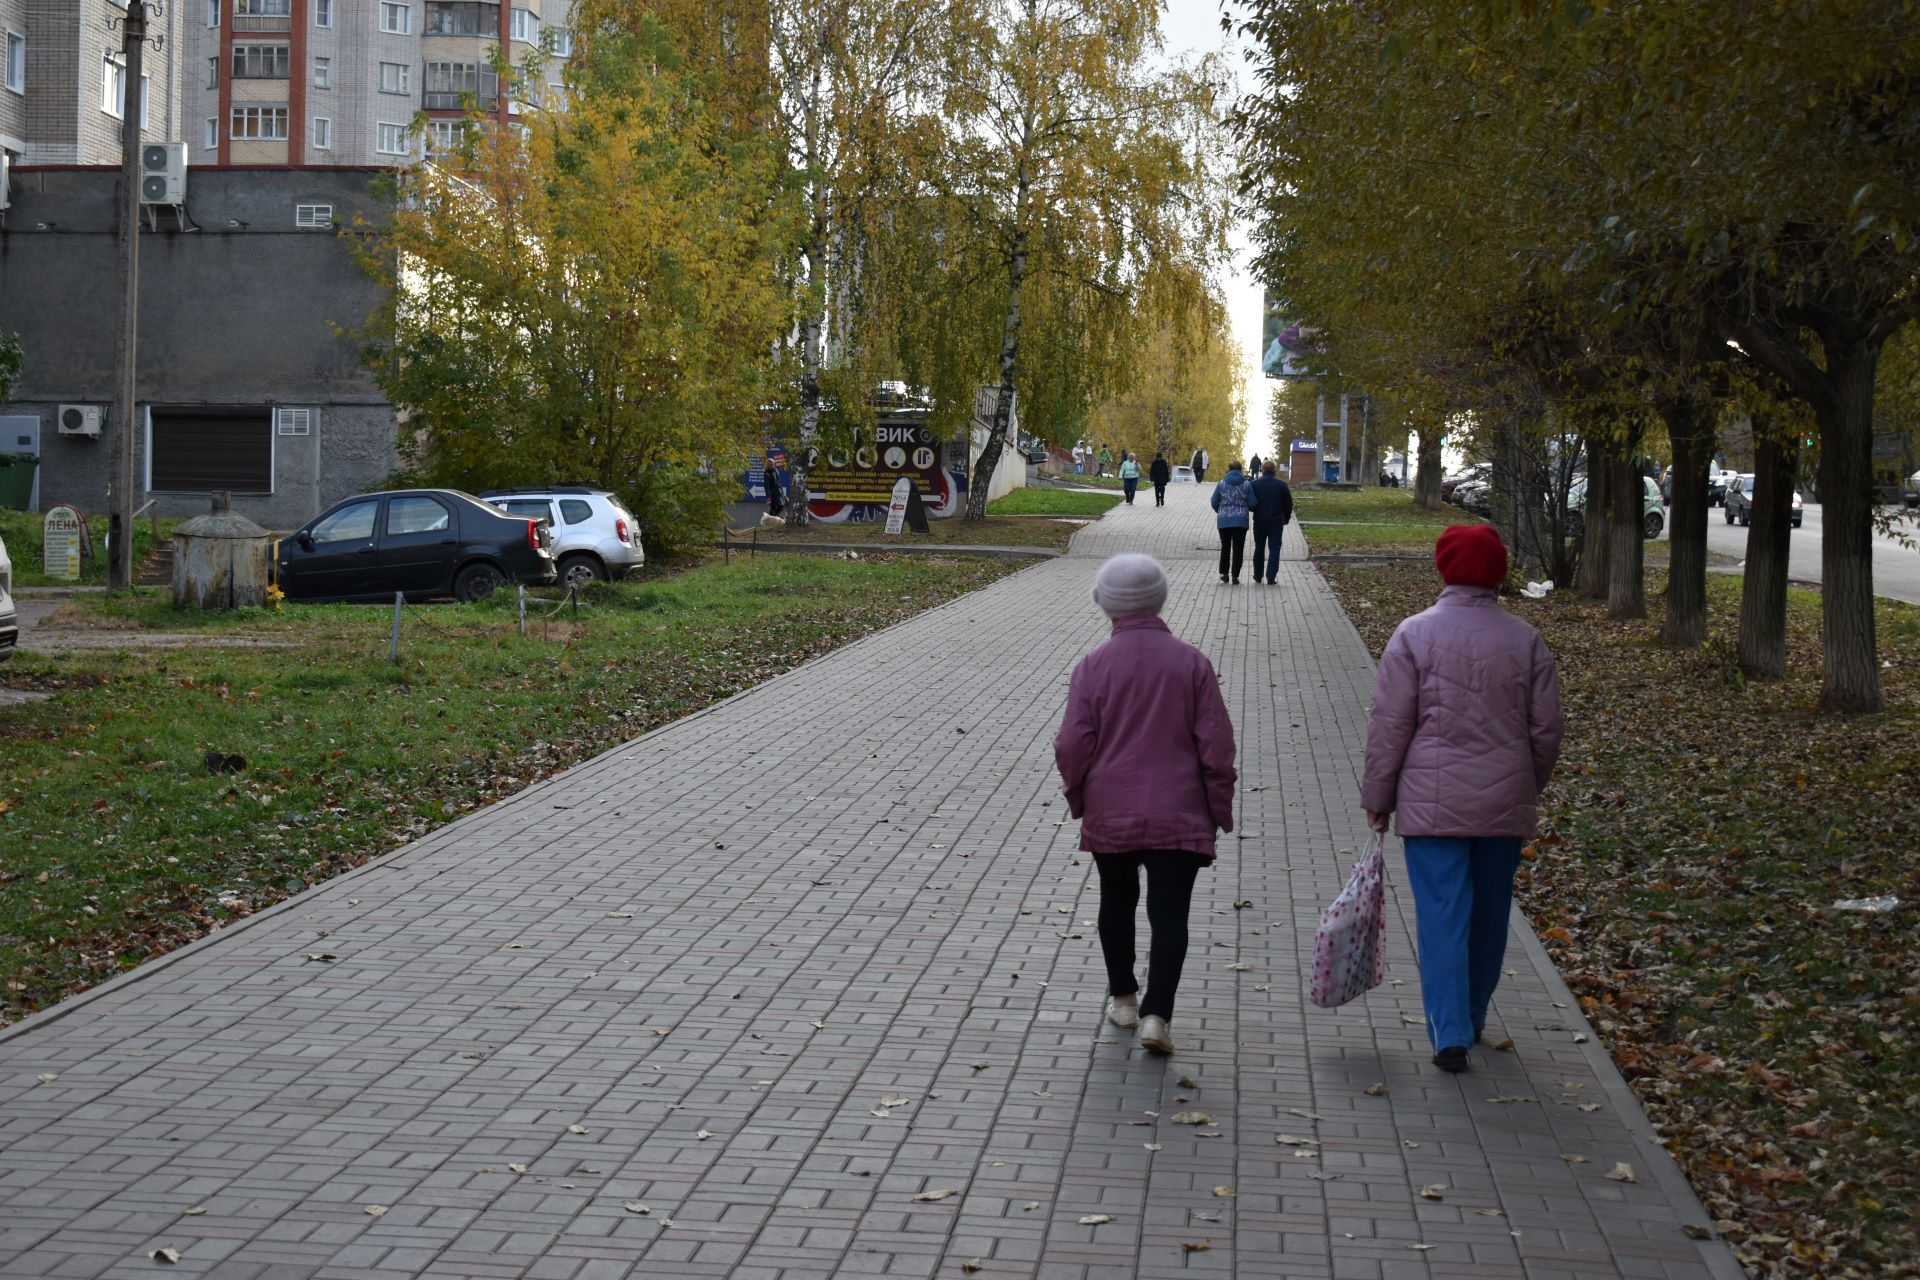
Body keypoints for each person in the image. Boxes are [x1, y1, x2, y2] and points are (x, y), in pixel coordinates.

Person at [1361, 525, 1564, 1073]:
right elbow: (1546, 730)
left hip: (1432, 807)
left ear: (1443, 568)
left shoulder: (1413, 636)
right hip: (1504, 805)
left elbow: (1390, 726)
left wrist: (1379, 796)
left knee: (1442, 914)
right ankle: (1473, 1015)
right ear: (1499, 572)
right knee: (1491, 915)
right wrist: (1525, 782)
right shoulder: (1525, 641)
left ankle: (1448, 1031)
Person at [1054, 554, 1237, 1056]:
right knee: (1170, 912)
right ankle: (1159, 1014)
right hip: (1180, 807)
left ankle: (1125, 1000)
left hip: (1112, 806)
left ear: (1106, 604)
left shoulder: (1092, 667)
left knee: (1116, 901)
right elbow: (1216, 746)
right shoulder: (1192, 662)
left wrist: (1079, 795)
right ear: (1159, 598)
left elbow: (1072, 744)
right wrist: (1218, 806)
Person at [1209, 460, 1257, 584]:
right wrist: (1248, 508)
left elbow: (1214, 502)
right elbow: (1253, 503)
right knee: (1238, 548)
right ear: (1240, 470)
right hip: (1241, 521)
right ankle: (1235, 576)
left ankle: (1224, 574)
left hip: (1224, 520)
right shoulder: (1247, 484)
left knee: (1225, 547)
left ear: (1229, 469)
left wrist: (1220, 511)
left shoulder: (1221, 483)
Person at [1248, 461, 1294, 584]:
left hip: (1259, 521)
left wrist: (1255, 510)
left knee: (1259, 547)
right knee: (1274, 549)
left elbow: (1251, 503)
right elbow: (1288, 504)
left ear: (1262, 471)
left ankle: (1258, 575)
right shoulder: (1281, 485)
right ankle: (1271, 577)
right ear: (1274, 471)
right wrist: (1286, 518)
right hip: (1276, 521)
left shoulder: (1254, 484)